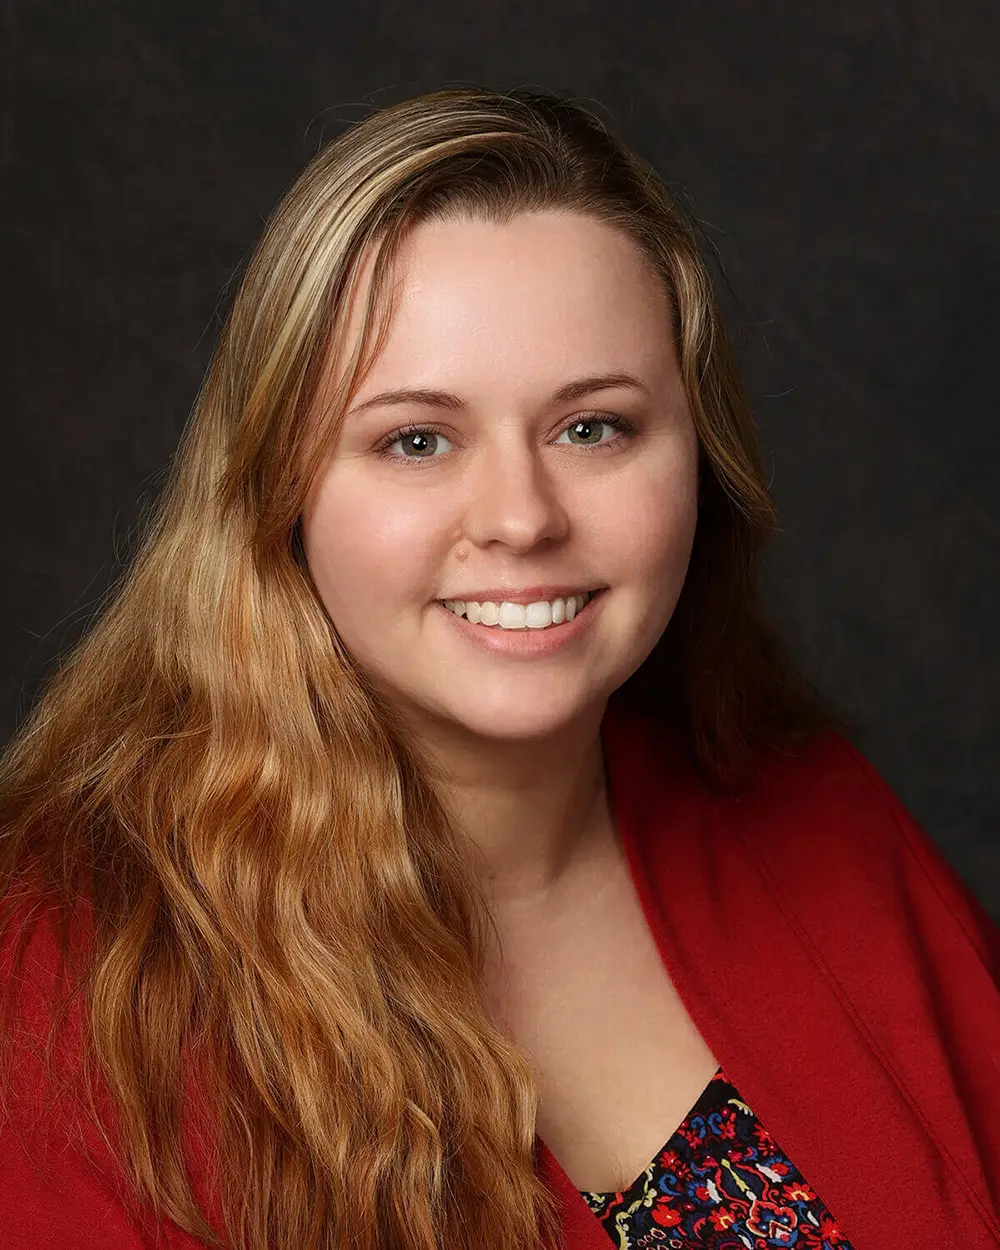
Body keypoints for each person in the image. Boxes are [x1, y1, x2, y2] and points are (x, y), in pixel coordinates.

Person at [0, 86, 997, 1250]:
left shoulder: (823, 819)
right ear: (279, 493)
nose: (520, 518)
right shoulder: (65, 987)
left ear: (700, 455)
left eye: (593, 427)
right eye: (416, 439)